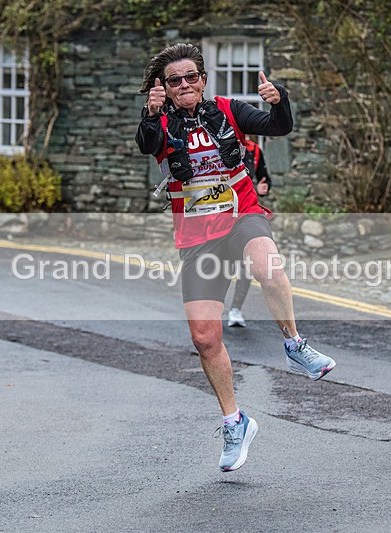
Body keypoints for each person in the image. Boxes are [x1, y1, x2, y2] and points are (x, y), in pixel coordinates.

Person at [135, 43, 336, 472]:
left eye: (191, 77)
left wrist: (279, 100)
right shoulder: (160, 122)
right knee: (205, 339)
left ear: (203, 80)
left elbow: (279, 126)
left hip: (241, 215)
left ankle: (294, 344)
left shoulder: (229, 109)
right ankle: (235, 422)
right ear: (164, 88)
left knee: (268, 267)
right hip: (197, 238)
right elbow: (146, 144)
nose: (185, 85)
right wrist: (150, 114)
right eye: (175, 80)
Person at [227, 137, 272, 328]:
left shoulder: (254, 149)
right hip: (220, 215)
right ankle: (211, 309)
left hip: (245, 215)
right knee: (219, 266)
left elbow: (264, 179)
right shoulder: (217, 143)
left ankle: (235, 309)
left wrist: (263, 188)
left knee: (246, 264)